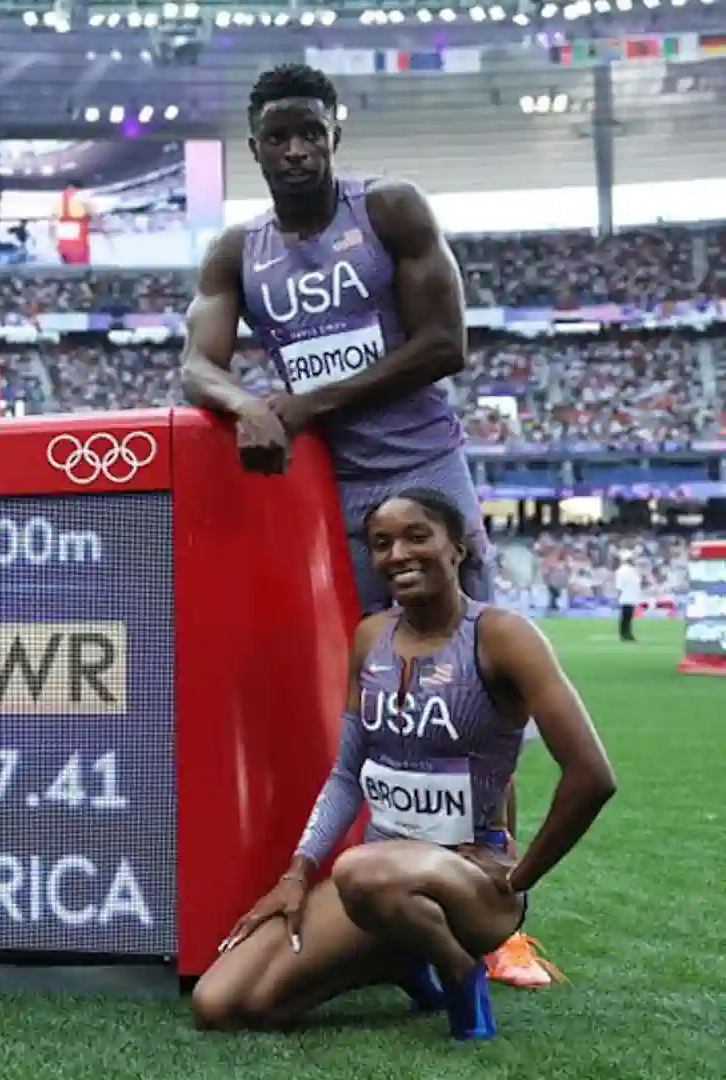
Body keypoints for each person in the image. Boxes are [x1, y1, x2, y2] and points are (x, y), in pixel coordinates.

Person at [178, 61, 553, 986]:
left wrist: (301, 401)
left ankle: (494, 905)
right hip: (329, 499)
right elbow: (196, 365)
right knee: (384, 696)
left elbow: (444, 344)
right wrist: (248, 402)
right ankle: (396, 894)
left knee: (475, 682)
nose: (297, 148)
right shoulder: (237, 251)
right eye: (278, 135)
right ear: (256, 146)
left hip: (425, 472)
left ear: (334, 134)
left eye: (311, 131)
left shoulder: (387, 210)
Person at [190, 490, 617, 1039]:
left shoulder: (504, 637)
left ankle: (461, 969)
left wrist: (517, 875)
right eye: (382, 544)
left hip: (472, 884)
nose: (398, 554)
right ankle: (401, 958)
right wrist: (295, 875)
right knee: (223, 1003)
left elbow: (592, 776)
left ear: (457, 547)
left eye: (417, 536)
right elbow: (347, 774)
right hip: (377, 883)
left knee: (359, 869)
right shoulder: (372, 637)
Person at [613, 553, 641, 642]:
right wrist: (618, 595)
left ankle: (626, 634)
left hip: (629, 596)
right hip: (626, 596)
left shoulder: (631, 570)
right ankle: (625, 634)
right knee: (626, 617)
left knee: (627, 617)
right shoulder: (623, 571)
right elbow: (619, 585)